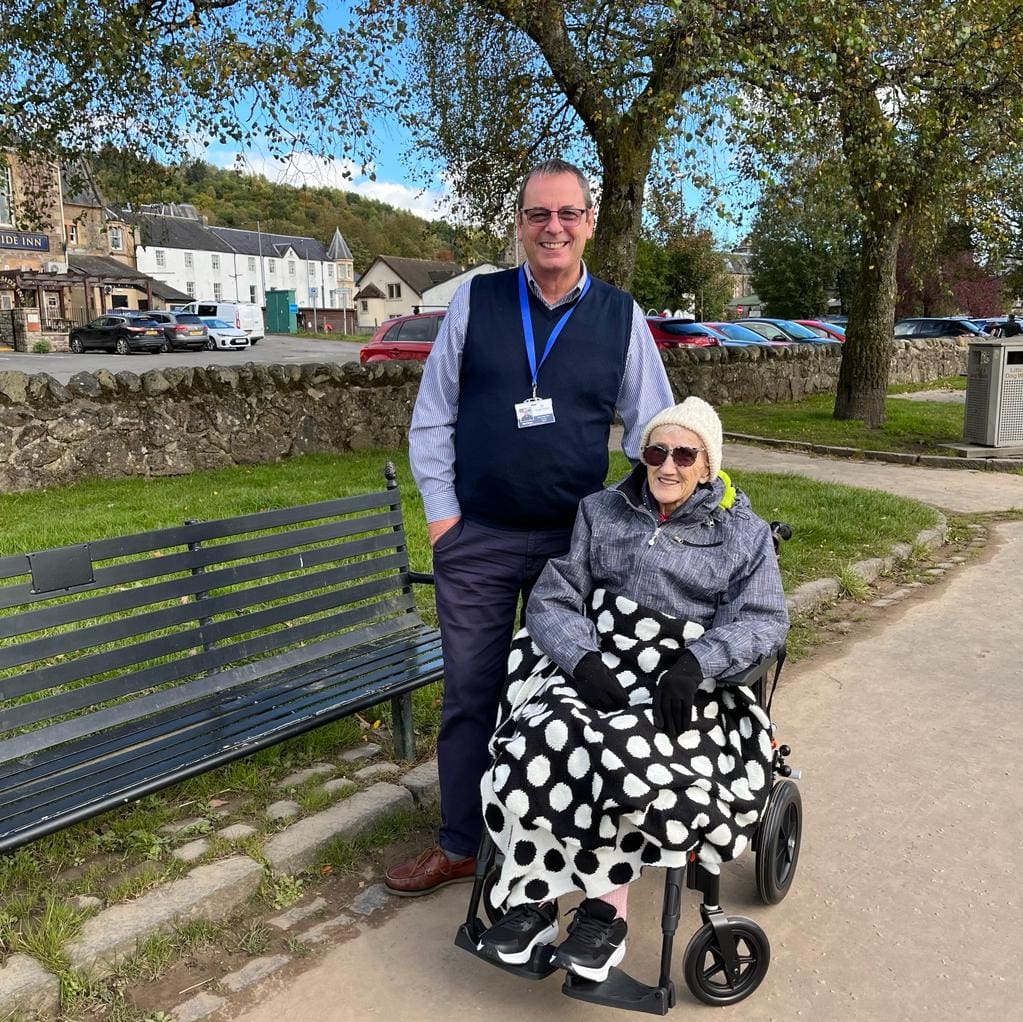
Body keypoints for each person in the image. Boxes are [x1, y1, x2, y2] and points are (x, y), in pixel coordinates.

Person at [385, 159, 674, 896]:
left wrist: (633, 522)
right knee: (472, 692)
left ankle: (555, 842)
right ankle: (457, 842)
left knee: (565, 697)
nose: (553, 228)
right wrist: (444, 519)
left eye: (567, 214)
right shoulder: (477, 302)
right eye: (539, 214)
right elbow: (432, 418)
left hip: (574, 550)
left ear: (589, 223)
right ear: (518, 223)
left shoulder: (620, 316)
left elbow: (650, 428)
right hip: (476, 537)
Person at [475, 397, 789, 982]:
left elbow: (765, 620)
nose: (667, 465)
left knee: (627, 759)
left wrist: (699, 661)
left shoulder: (742, 535)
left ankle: (603, 914)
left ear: (708, 464)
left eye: (684, 454)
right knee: (543, 736)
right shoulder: (601, 512)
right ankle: (534, 900)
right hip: (599, 665)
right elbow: (553, 594)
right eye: (656, 451)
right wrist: (581, 658)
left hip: (680, 683)